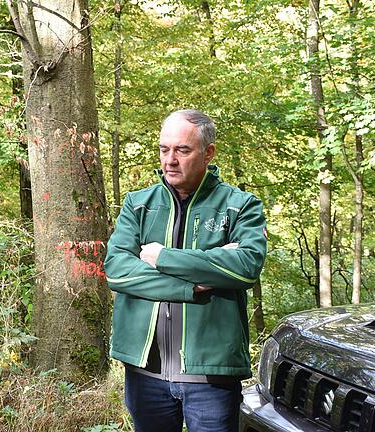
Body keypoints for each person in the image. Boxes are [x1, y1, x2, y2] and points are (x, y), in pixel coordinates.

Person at [104, 109, 267, 432]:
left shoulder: (240, 206)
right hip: (145, 373)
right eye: (164, 149)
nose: (170, 160)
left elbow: (246, 268)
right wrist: (193, 283)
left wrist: (163, 257)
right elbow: (117, 271)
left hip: (212, 376)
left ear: (208, 153)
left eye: (182, 150)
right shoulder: (138, 204)